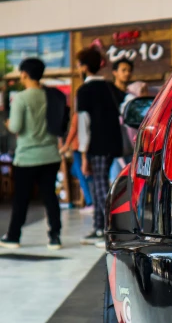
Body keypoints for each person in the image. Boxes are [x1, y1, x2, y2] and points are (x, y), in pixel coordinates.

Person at [0, 58, 63, 250]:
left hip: (27, 157)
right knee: (50, 197)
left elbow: (17, 126)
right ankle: (54, 237)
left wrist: (8, 124)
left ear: (24, 74)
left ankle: (13, 237)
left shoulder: (21, 98)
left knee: (21, 198)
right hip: (51, 155)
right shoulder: (51, 96)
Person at [76, 48, 123, 244]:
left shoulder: (84, 91)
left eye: (79, 64)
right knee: (97, 186)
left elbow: (83, 123)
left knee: (101, 186)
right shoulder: (110, 88)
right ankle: (97, 228)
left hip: (96, 145)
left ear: (85, 67)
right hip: (113, 142)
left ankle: (107, 230)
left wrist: (84, 153)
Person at [59, 112, 93, 211]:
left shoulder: (78, 114)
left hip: (79, 148)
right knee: (79, 172)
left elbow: (73, 130)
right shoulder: (87, 112)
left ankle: (89, 202)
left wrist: (65, 146)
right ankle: (91, 196)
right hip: (85, 147)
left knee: (81, 174)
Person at [108, 58, 134, 182]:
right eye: (123, 70)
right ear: (114, 72)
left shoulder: (132, 95)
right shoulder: (109, 93)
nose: (127, 73)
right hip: (114, 144)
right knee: (116, 181)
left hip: (130, 144)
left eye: (129, 70)